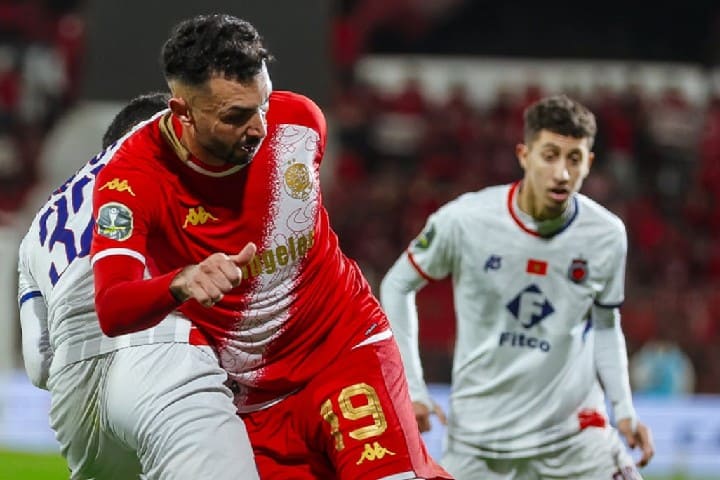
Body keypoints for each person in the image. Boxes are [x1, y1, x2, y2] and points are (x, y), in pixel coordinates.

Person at [90, 14, 451, 480]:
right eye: (236, 116)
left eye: (262, 104)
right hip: (253, 403)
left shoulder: (301, 123)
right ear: (183, 112)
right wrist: (180, 282)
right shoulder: (130, 180)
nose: (259, 127)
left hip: (344, 350)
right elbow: (112, 308)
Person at [380, 94, 655, 479]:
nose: (562, 173)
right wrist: (412, 389)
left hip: (574, 440)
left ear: (589, 164)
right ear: (524, 155)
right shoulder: (465, 220)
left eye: (574, 159)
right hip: (479, 445)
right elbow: (397, 284)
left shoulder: (606, 235)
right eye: (550, 156)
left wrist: (623, 410)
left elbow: (606, 325)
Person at [18, 91, 259, 480]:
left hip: (74, 404)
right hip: (159, 356)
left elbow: (37, 366)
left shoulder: (37, 230)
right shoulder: (162, 158)